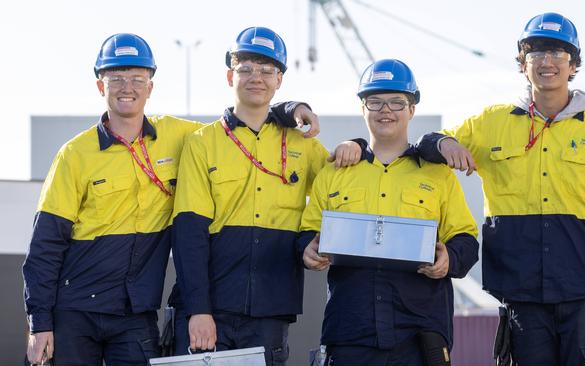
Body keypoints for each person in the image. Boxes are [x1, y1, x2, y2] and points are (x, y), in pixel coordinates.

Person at [22, 32, 351, 366]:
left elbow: (253, 123)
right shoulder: (77, 154)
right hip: (76, 309)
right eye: (116, 78)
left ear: (150, 87)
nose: (127, 87)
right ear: (99, 85)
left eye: (137, 78)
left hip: (137, 313)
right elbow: (46, 244)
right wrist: (39, 321)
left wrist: (293, 110)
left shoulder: (183, 136)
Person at [414, 12, 585, 365]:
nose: (546, 62)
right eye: (536, 53)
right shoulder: (491, 123)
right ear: (523, 64)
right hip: (521, 297)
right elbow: (424, 146)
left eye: (558, 53)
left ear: (573, 64)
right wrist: (445, 145)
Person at [170, 26, 366, 365]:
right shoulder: (202, 143)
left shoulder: (303, 145)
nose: (255, 77)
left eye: (266, 70)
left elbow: (342, 189)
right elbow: (189, 234)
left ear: (279, 80)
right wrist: (198, 310)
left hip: (271, 308)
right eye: (246, 68)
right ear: (230, 75)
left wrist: (357, 146)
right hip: (210, 307)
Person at [299, 59, 479, 365]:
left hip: (419, 334)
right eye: (375, 101)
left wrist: (450, 258)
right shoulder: (334, 173)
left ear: (411, 110)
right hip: (350, 331)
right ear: (362, 108)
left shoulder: (437, 175)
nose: (386, 110)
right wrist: (306, 249)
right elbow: (308, 231)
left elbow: (467, 239)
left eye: (398, 102)